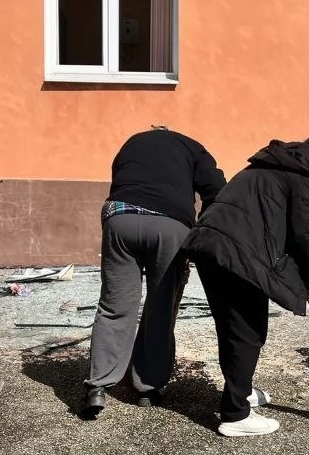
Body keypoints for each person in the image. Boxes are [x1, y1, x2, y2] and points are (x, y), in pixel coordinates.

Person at [182, 133, 309, 438]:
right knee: (248, 331)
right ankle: (235, 415)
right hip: (236, 252)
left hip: (209, 245)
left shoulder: (270, 165)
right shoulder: (306, 178)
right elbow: (305, 234)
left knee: (232, 327)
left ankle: (240, 391)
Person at [78, 126, 227, 420]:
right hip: (169, 225)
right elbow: (217, 190)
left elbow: (120, 180)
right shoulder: (192, 147)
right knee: (160, 307)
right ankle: (147, 387)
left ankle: (97, 387)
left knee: (114, 305)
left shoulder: (131, 143)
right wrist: (202, 228)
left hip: (120, 218)